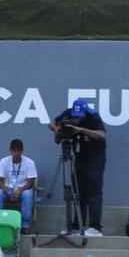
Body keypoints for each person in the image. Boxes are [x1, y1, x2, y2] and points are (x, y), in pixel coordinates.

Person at [49, 98, 107, 237]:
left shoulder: (93, 116)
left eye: (79, 118)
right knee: (78, 193)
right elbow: (51, 124)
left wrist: (80, 129)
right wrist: (58, 131)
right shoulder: (68, 113)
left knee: (94, 193)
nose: (76, 120)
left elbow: (102, 135)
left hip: (95, 158)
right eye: (75, 118)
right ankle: (76, 226)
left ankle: (95, 227)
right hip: (78, 157)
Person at [0, 138, 37, 233]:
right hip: (7, 189)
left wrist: (20, 190)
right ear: (10, 150)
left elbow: (31, 182)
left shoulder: (29, 162)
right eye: (14, 151)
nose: (16, 153)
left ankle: (25, 225)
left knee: (28, 195)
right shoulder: (4, 161)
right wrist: (6, 190)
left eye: (18, 151)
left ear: (22, 151)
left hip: (23, 189)